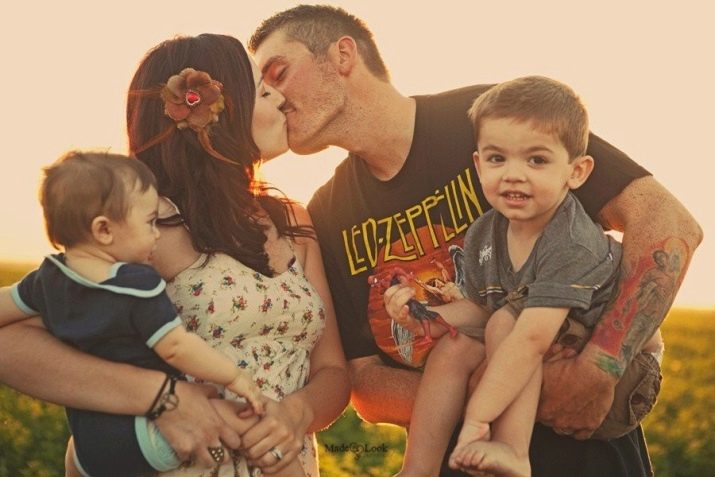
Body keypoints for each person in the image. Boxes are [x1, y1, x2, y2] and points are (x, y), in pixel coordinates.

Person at [248, 5, 702, 476]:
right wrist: (505, 387)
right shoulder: (327, 212)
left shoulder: (490, 119)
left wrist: (601, 364)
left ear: (343, 55)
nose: (271, 96)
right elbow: (366, 385)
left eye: (278, 72)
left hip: (587, 455)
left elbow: (666, 219)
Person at [0, 33, 350, 476]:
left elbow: (332, 371)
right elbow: (10, 342)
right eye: (262, 91)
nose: (280, 98)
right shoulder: (151, 228)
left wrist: (296, 414)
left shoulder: (292, 220)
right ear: (214, 117)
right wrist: (163, 398)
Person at [382, 76, 664, 477]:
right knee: (455, 348)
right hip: (551, 340)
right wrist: (426, 316)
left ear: (577, 171)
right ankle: (418, 470)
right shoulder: (484, 233)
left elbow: (529, 337)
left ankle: (512, 449)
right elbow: (480, 309)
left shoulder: (571, 240)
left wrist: (477, 419)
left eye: (536, 160)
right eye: (497, 159)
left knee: (507, 325)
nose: (513, 174)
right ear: (479, 164)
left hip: (623, 374)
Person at [0, 150, 276, 476]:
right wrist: (234, 377)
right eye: (150, 223)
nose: (157, 234)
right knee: (247, 424)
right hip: (147, 433)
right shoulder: (137, 286)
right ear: (104, 230)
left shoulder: (46, 279)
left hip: (88, 447)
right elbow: (176, 347)